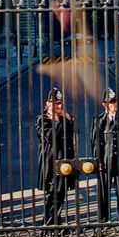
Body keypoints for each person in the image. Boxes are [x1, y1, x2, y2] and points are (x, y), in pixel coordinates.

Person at [91, 88, 119, 222]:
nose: (114, 104)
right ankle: (104, 221)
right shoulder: (98, 120)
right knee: (104, 193)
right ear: (104, 105)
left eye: (115, 101)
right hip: (105, 161)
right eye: (111, 102)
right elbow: (96, 142)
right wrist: (98, 161)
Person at [36, 87, 75, 227]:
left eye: (59, 103)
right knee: (52, 196)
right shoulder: (42, 119)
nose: (58, 106)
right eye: (54, 103)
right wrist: (57, 120)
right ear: (47, 104)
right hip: (51, 164)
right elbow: (50, 136)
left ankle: (56, 224)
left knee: (60, 195)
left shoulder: (64, 118)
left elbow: (74, 131)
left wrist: (66, 117)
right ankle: (49, 226)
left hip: (65, 162)